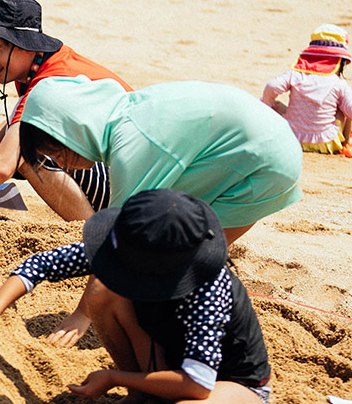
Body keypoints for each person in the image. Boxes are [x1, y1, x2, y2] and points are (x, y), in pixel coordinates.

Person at [0, 189, 270, 404]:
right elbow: (41, 265)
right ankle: (142, 395)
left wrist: (115, 377)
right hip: (168, 361)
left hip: (231, 385)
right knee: (101, 289)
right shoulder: (131, 247)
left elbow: (198, 383)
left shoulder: (208, 286)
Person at [19, 76, 302, 348]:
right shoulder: (126, 115)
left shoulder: (132, 148)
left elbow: (116, 239)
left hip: (263, 163)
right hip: (260, 144)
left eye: (57, 154)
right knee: (171, 248)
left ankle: (207, 337)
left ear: (74, 129)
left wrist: (83, 314)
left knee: (187, 257)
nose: (60, 164)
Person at [0, 0, 132, 219]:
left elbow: (2, 166)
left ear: (27, 46)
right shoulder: (43, 63)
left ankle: (92, 231)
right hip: (133, 176)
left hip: (134, 190)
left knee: (27, 152)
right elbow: (21, 120)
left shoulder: (51, 81)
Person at [262, 24, 352, 155]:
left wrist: (266, 105)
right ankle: (346, 141)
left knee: (278, 106)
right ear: (340, 62)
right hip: (325, 142)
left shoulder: (295, 74)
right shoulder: (339, 83)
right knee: (343, 109)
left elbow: (272, 86)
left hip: (292, 138)